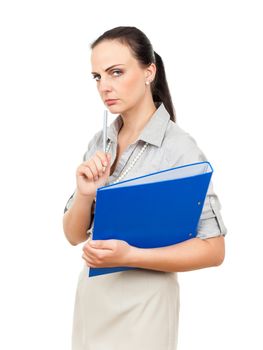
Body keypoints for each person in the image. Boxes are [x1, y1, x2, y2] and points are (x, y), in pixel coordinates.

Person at [62, 26, 227, 350]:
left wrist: (131, 255)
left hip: (145, 306)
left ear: (149, 71)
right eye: (97, 76)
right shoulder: (101, 141)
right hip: (94, 299)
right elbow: (73, 235)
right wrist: (84, 194)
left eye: (116, 72)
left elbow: (214, 250)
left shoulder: (179, 149)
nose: (104, 87)